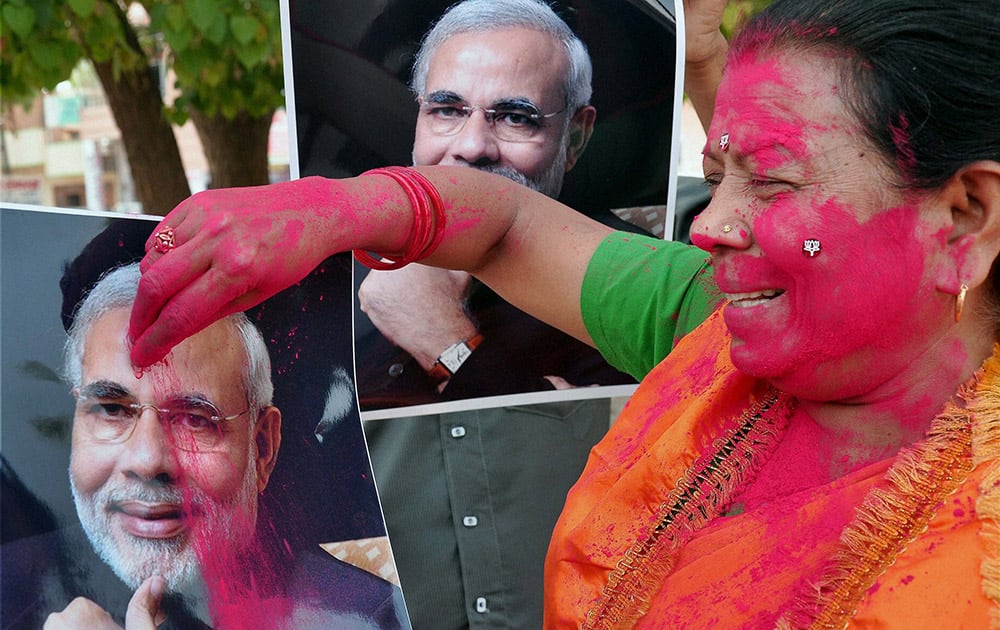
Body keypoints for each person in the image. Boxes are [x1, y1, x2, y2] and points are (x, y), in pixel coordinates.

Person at [127, 0, 1000, 626]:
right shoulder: (712, 314)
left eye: (771, 181)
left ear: (965, 215)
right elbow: (505, 227)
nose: (710, 226)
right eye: (720, 171)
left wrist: (451, 345)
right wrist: (343, 209)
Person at [353, 1, 710, 627]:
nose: (469, 147)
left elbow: (636, 482)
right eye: (446, 109)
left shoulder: (637, 283)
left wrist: (447, 341)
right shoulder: (329, 273)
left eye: (515, 118)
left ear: (576, 136)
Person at [39, 264, 408, 629]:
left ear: (262, 449)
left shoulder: (363, 618)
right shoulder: (13, 584)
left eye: (194, 418)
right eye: (112, 410)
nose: (148, 460)